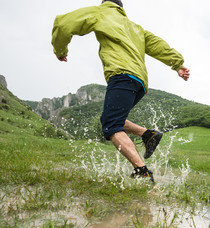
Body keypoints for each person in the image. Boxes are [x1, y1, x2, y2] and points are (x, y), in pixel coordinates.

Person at [51, 0, 190, 183]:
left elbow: (63, 23)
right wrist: (177, 63)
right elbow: (158, 45)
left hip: (121, 75)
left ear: (104, 2)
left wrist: (60, 50)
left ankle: (142, 172)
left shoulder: (101, 13)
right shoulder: (135, 28)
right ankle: (148, 135)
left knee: (111, 126)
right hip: (140, 82)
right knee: (111, 118)